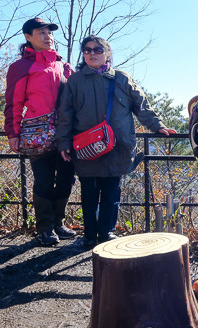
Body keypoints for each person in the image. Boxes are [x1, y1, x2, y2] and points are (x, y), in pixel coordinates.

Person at [56, 35, 175, 247]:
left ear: (107, 54)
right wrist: (63, 142)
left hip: (117, 145)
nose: (92, 53)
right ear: (83, 54)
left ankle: (107, 232)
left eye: (98, 50)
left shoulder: (122, 78)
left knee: (112, 192)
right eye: (87, 50)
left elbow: (142, 106)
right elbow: (65, 113)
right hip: (86, 147)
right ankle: (90, 235)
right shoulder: (75, 81)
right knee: (89, 193)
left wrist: (158, 126)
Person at [4, 18, 77, 246]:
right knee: (44, 180)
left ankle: (58, 222)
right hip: (37, 132)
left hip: (66, 131)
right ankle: (45, 227)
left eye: (49, 33)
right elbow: (13, 104)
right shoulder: (21, 67)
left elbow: (76, 99)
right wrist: (13, 133)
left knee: (67, 178)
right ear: (28, 37)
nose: (48, 36)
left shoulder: (62, 65)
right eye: (41, 32)